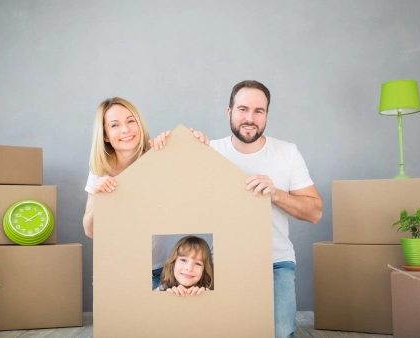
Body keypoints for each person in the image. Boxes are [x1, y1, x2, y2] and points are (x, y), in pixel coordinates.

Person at [151, 80, 322, 338]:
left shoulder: (287, 153)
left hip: (276, 261)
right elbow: (168, 192)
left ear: (266, 114)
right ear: (229, 112)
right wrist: (165, 146)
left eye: (258, 111)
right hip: (222, 262)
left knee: (280, 331)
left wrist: (275, 193)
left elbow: (315, 212)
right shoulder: (210, 150)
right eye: (242, 109)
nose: (250, 118)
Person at [82, 97, 209, 289]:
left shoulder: (159, 158)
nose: (125, 129)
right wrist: (100, 198)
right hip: (115, 271)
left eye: (131, 121)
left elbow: (196, 188)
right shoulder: (100, 172)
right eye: (115, 125)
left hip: (156, 272)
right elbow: (90, 231)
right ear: (106, 135)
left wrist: (194, 144)